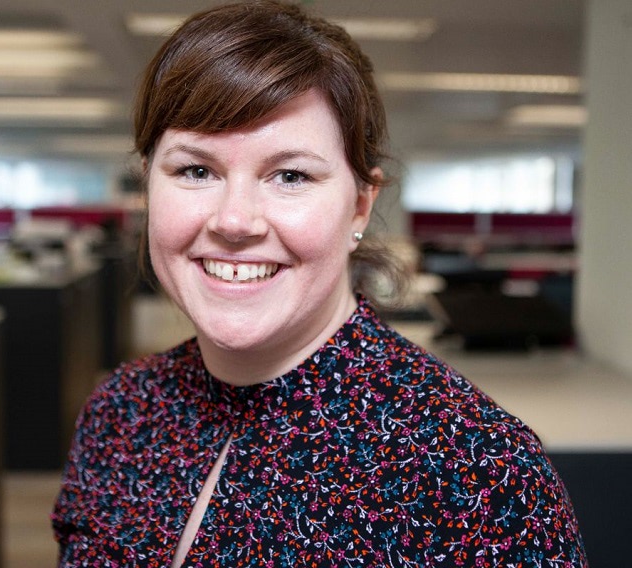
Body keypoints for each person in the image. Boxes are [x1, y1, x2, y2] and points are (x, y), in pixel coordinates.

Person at [52, 2, 587, 566]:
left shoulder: (480, 471)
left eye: (291, 175)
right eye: (196, 170)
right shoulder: (120, 413)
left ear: (360, 206)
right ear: (148, 189)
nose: (234, 221)